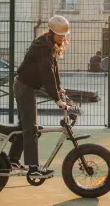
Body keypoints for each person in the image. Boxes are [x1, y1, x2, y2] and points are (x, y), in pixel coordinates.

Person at [8, 15, 70, 178]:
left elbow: (53, 68)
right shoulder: (43, 46)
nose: (63, 37)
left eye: (64, 35)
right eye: (60, 34)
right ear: (51, 32)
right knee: (31, 127)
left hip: (26, 86)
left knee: (25, 126)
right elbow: (46, 73)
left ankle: (12, 160)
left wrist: (59, 88)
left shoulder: (49, 44)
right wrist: (56, 99)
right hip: (24, 86)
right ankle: (33, 168)